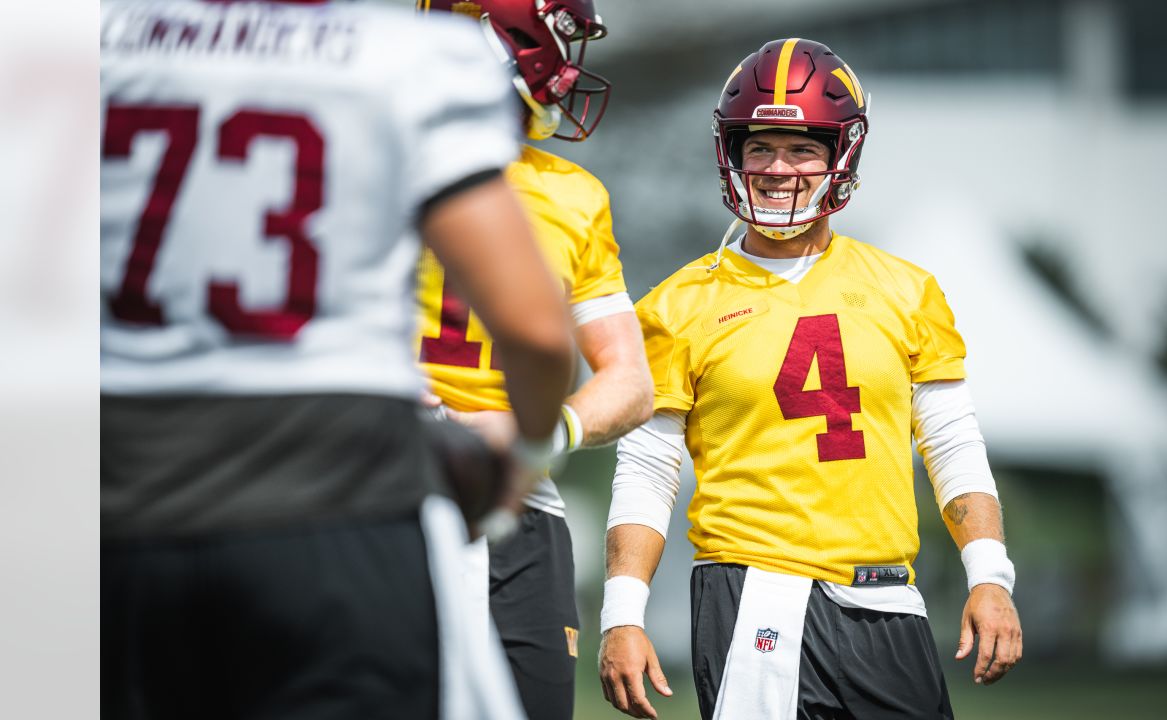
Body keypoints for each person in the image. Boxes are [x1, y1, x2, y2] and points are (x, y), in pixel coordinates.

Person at [100, 1, 574, 718]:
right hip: (333, 495)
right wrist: (529, 450)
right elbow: (535, 331)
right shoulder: (410, 56)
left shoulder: (90, 38)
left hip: (113, 497)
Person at [596, 38, 1023, 720]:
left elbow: (951, 441)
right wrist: (622, 613)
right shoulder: (679, 304)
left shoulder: (906, 290)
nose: (776, 168)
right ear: (730, 153)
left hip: (889, 599)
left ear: (841, 155)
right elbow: (647, 468)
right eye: (758, 146)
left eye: (802, 147)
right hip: (755, 591)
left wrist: (989, 574)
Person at [415, 2, 653, 719]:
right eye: (561, 33)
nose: (569, 59)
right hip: (393, 479)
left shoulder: (574, 195)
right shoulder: (378, 153)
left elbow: (631, 381)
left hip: (523, 501)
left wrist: (536, 437)